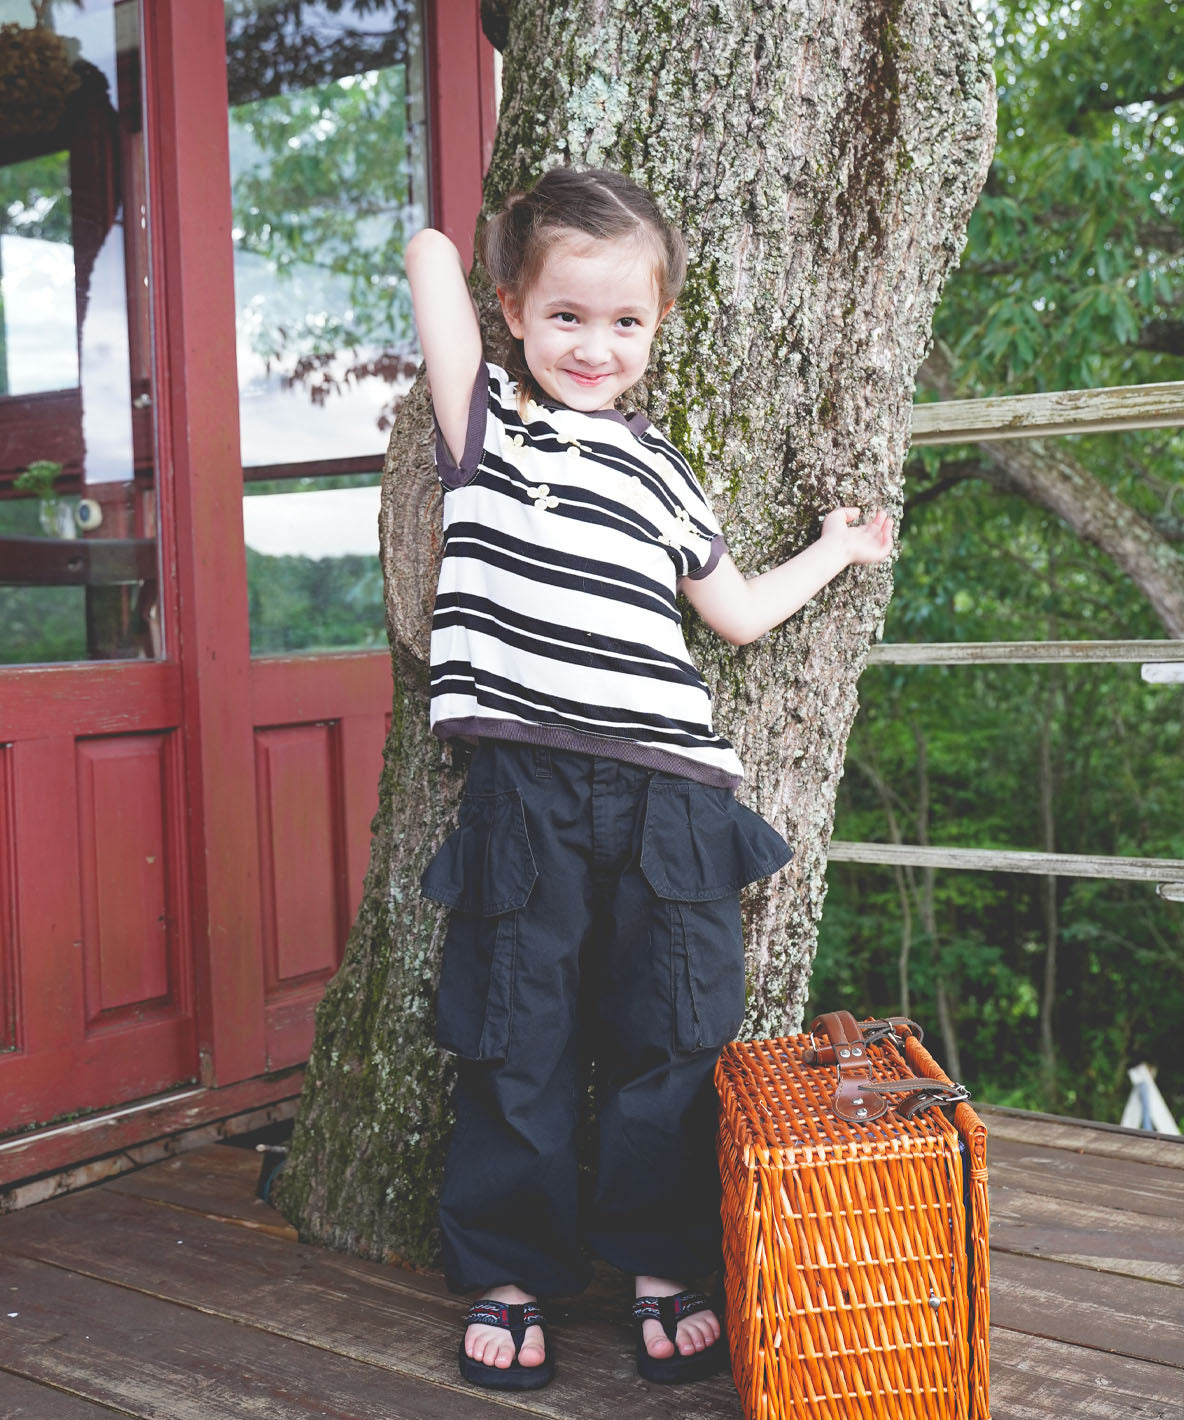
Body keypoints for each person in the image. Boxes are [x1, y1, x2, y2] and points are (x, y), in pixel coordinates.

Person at [406, 166, 893, 1392]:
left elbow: (730, 616)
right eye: (564, 314)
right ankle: (510, 1272)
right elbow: (424, 257)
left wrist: (832, 551)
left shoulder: (663, 472)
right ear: (511, 310)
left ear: (659, 329)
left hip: (671, 797)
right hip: (526, 793)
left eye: (626, 321)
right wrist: (501, 252)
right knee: (515, 1035)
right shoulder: (489, 428)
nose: (594, 344)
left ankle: (658, 1258)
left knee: (670, 1036)